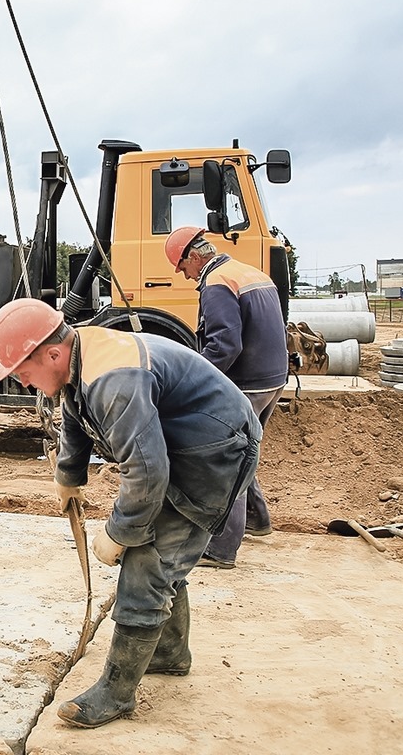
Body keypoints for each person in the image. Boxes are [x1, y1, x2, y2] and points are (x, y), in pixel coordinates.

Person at [0, 298, 261, 729]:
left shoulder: (114, 379)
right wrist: (69, 474)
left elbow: (148, 473)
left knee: (147, 564)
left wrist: (119, 532)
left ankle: (117, 693)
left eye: (24, 372)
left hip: (215, 453)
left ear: (53, 354)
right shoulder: (80, 356)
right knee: (163, 560)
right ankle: (169, 654)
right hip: (188, 442)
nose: (23, 383)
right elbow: (76, 413)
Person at [165, 226, 289, 569]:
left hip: (247, 384)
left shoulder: (217, 283)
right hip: (272, 380)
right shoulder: (248, 271)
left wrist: (195, 380)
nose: (186, 276)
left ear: (194, 257)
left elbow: (224, 345)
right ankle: (256, 519)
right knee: (245, 450)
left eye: (182, 268)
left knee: (224, 461)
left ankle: (221, 549)